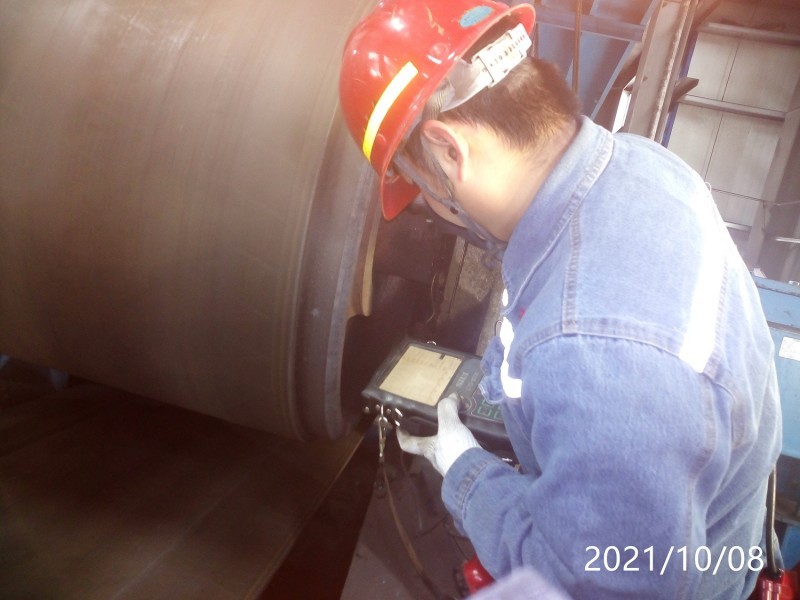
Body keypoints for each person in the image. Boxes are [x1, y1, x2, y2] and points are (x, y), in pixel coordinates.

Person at [338, 1, 783, 598]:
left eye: (419, 187)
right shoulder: (643, 166)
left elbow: (596, 584)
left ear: (448, 149)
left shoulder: (594, 351)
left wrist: (468, 475)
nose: (432, 206)